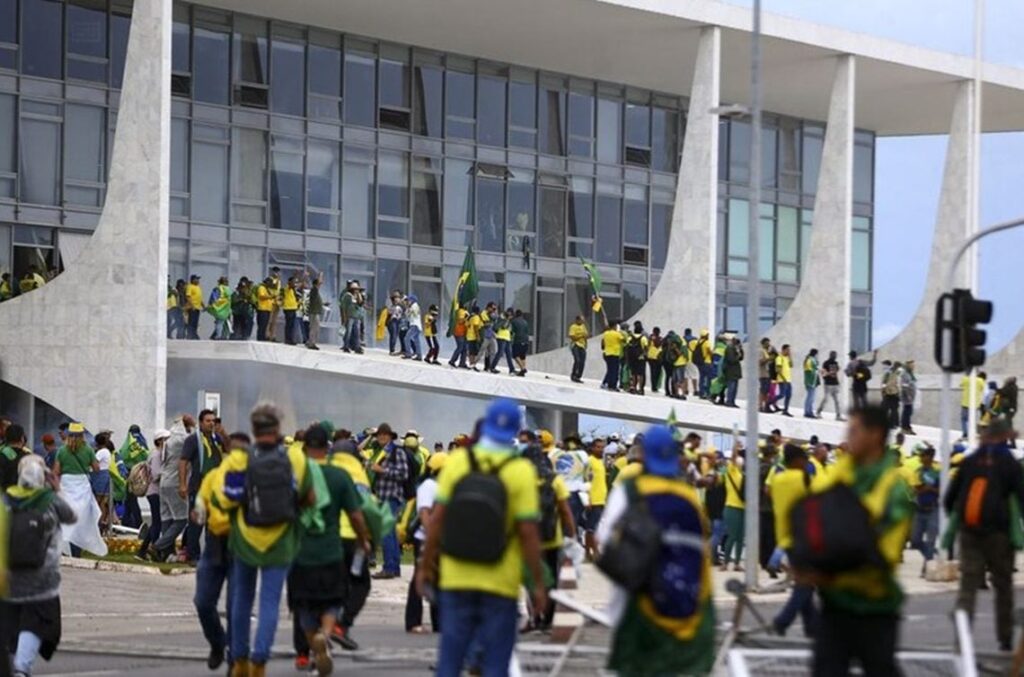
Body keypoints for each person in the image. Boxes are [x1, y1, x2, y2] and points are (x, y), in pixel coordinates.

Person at [416, 399, 546, 677]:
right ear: (516, 430)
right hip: (501, 581)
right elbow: (528, 533)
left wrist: (425, 567)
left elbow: (437, 521)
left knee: (450, 660)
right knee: (495, 664)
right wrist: (537, 582)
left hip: (456, 576)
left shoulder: (458, 462)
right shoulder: (521, 471)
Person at [598, 425, 715, 676]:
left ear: (643, 454)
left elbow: (604, 539)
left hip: (640, 612)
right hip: (691, 613)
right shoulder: (689, 497)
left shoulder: (630, 491)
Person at [805, 405, 912, 676]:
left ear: (875, 435)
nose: (847, 437)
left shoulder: (893, 487)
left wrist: (829, 565)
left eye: (853, 430)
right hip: (834, 603)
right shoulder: (841, 474)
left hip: (874, 606)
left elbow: (884, 553)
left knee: (880, 669)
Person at [218, 402, 312, 677]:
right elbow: (310, 497)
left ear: (254, 428)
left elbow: (226, 500)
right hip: (281, 540)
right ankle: (260, 660)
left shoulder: (239, 459)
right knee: (270, 602)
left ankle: (239, 660)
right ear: (278, 428)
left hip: (245, 539)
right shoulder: (296, 459)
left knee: (242, 599)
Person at [289, 425, 372, 676]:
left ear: (304, 448)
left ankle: (310, 647)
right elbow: (356, 515)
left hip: (301, 553)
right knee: (332, 601)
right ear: (327, 448)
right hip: (331, 551)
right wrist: (364, 540)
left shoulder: (296, 477)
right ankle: (324, 636)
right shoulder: (339, 476)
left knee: (303, 606)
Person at [945, 418, 1024, 652]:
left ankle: (961, 640)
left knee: (967, 587)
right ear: (1004, 436)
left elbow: (950, 498)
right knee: (1003, 586)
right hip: (999, 534)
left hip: (970, 532)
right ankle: (1005, 638)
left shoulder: (969, 461)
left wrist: (959, 523)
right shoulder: (1009, 463)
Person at [3, 455, 77, 677]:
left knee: (12, 622)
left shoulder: (7, 500)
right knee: (36, 622)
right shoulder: (50, 501)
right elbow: (72, 516)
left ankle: (12, 665)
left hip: (10, 576)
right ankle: (22, 668)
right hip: (43, 580)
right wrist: (58, 489)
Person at [192, 431, 244, 672]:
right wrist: (199, 512)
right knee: (203, 601)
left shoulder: (254, 478)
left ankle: (235, 658)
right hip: (214, 545)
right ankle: (217, 642)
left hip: (241, 546)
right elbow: (200, 505)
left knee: (236, 607)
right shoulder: (214, 476)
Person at [328, 438, 372, 651]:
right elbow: (365, 509)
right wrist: (367, 538)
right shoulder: (359, 474)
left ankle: (321, 628)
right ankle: (342, 624)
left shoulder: (326, 471)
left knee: (333, 585)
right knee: (361, 583)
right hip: (353, 538)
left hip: (329, 536)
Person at [768, 444, 816, 636]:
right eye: (804, 459)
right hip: (803, 537)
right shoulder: (803, 477)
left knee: (805, 582)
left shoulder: (777, 479)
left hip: (785, 537)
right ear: (796, 460)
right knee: (805, 584)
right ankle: (782, 621)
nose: (806, 463)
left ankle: (812, 627)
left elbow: (769, 494)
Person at [405, 451, 447, 634]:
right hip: (425, 539)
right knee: (420, 578)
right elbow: (424, 513)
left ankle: (439, 622)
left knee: (438, 579)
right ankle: (413, 621)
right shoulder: (429, 486)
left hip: (439, 539)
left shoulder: (443, 486)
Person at [53, 423, 106, 557]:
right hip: (82, 485)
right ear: (82, 435)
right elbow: (96, 468)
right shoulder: (88, 450)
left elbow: (56, 471)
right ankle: (77, 550)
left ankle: (66, 547)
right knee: (81, 520)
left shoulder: (62, 450)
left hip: (66, 485)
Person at [181, 409, 226, 563]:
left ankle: (210, 556)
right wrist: (182, 484)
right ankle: (193, 555)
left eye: (213, 421)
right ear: (200, 423)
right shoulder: (193, 440)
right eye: (208, 421)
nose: (211, 424)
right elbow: (183, 461)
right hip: (198, 487)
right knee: (196, 524)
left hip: (215, 489)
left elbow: (230, 449)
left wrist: (223, 433)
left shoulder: (217, 439)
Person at [369, 424, 408, 580]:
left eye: (385, 434)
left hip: (391, 496)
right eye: (379, 435)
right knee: (390, 533)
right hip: (384, 496)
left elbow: (403, 474)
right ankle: (394, 567)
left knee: (386, 533)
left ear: (391, 436)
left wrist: (382, 470)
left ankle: (388, 568)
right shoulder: (381, 452)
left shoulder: (397, 452)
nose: (381, 437)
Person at [135, 428, 169, 560]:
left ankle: (143, 550)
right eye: (166, 439)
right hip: (154, 492)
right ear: (159, 441)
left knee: (156, 522)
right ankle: (153, 550)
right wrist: (169, 473)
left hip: (155, 492)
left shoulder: (158, 454)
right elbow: (155, 475)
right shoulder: (156, 455)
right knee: (157, 523)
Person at [907, 444, 939, 577]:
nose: (921, 458)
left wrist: (930, 489)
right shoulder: (918, 472)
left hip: (933, 509)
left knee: (931, 540)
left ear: (929, 457)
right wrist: (924, 489)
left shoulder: (938, 471)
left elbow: (943, 489)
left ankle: (927, 567)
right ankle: (931, 557)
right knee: (915, 540)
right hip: (919, 509)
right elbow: (915, 489)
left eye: (923, 456)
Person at [721, 444, 746, 572]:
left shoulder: (742, 475)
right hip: (731, 507)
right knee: (732, 536)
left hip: (742, 508)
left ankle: (737, 563)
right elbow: (733, 458)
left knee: (740, 537)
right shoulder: (731, 471)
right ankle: (725, 563)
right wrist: (735, 447)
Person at [0, 424, 31, 491]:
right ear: (22, 438)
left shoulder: (2, 454)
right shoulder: (29, 457)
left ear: (6, 438)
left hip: (5, 494)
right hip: (24, 494)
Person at [959, 370, 987, 439]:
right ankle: (972, 432)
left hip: (965, 402)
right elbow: (984, 390)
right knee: (972, 419)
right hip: (975, 403)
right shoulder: (980, 380)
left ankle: (965, 433)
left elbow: (961, 385)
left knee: (964, 419)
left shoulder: (965, 379)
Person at [817, 350, 843, 420]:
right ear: (830, 355)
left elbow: (837, 371)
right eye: (834, 355)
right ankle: (818, 412)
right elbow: (823, 374)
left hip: (835, 384)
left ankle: (838, 416)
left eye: (835, 355)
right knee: (826, 399)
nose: (835, 356)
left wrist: (837, 370)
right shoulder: (826, 363)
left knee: (837, 401)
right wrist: (829, 373)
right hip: (828, 384)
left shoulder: (836, 363)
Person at [600, 320, 625, 392]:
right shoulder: (617, 334)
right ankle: (613, 385)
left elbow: (603, 343)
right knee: (615, 370)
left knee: (610, 370)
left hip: (607, 353)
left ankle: (608, 384)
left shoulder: (605, 333)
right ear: (614, 326)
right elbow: (624, 340)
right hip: (615, 353)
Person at [625, 321, 648, 396]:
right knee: (640, 374)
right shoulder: (643, 338)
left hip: (632, 358)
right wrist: (644, 356)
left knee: (633, 373)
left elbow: (627, 348)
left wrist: (627, 358)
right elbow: (646, 348)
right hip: (641, 358)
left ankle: (633, 387)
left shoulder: (630, 337)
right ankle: (641, 389)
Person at [208, 276, 233, 340]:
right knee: (222, 322)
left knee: (220, 322)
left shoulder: (218, 288)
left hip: (220, 308)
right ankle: (219, 336)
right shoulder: (227, 289)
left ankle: (218, 335)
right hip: (225, 309)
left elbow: (213, 298)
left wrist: (211, 305)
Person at [773, 344, 794, 417]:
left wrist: (790, 357)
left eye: (789, 350)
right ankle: (769, 402)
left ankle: (786, 410)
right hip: (782, 380)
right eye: (788, 350)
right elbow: (778, 370)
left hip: (788, 379)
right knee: (782, 394)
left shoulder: (787, 358)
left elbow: (791, 365)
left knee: (789, 395)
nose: (789, 351)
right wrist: (783, 378)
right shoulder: (779, 358)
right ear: (783, 350)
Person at [305, 275, 325, 350]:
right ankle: (311, 343)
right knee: (314, 328)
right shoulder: (314, 290)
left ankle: (310, 342)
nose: (320, 285)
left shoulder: (315, 290)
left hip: (315, 312)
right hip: (314, 312)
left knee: (314, 328)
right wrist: (320, 275)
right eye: (319, 284)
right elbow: (320, 282)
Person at [722, 338, 744, 408]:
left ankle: (732, 401)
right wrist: (738, 355)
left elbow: (741, 358)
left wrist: (740, 350)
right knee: (731, 387)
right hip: (730, 370)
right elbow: (731, 360)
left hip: (735, 371)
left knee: (735, 388)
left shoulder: (735, 349)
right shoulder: (729, 348)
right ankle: (729, 401)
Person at [568, 315, 589, 383]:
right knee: (577, 360)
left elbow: (586, 335)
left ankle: (578, 376)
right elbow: (572, 337)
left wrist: (586, 343)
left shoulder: (583, 326)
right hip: (575, 345)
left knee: (582, 362)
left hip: (582, 345)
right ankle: (573, 375)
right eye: (581, 320)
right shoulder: (573, 327)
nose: (582, 321)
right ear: (577, 320)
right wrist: (581, 336)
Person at [402, 294, 423, 361]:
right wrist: (407, 307)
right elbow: (407, 315)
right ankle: (419, 355)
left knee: (406, 338)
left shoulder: (415, 305)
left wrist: (408, 308)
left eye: (409, 300)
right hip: (416, 325)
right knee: (416, 340)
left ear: (412, 300)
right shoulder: (412, 306)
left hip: (415, 325)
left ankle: (408, 353)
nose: (408, 301)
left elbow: (414, 313)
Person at [693, 329, 713, 398]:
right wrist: (712, 356)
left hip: (700, 362)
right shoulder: (707, 342)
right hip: (707, 362)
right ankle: (707, 393)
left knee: (702, 377)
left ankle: (701, 393)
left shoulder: (698, 342)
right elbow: (710, 351)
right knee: (708, 378)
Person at [899, 360, 918, 435]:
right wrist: (908, 395)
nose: (913, 366)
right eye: (912, 365)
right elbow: (904, 386)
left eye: (913, 365)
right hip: (907, 397)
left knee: (909, 412)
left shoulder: (910, 374)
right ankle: (904, 427)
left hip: (911, 396)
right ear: (908, 366)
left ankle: (907, 427)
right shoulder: (905, 374)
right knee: (907, 412)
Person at [448, 304, 469, 369]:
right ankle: (452, 361)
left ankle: (462, 362)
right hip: (459, 332)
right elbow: (460, 321)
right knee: (460, 347)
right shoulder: (461, 311)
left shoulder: (462, 311)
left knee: (464, 348)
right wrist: (466, 318)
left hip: (463, 332)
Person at [510, 309, 530, 376]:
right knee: (523, 356)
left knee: (515, 355)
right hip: (526, 341)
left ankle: (523, 368)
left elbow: (512, 331)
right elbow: (527, 331)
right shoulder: (525, 322)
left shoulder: (514, 321)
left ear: (516, 314)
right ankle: (522, 371)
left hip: (518, 340)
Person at [183, 274, 204, 340]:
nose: (198, 280)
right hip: (192, 307)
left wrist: (203, 306)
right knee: (191, 322)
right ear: (192, 280)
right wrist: (192, 305)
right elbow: (188, 296)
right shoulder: (190, 286)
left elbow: (199, 298)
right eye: (196, 279)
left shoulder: (198, 287)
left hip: (197, 307)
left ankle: (194, 334)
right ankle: (190, 335)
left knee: (195, 322)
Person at [281, 276, 299, 345]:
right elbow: (291, 285)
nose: (295, 283)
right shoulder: (287, 288)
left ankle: (291, 339)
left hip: (293, 308)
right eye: (293, 282)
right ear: (289, 282)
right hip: (288, 308)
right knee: (289, 324)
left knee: (292, 325)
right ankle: (287, 339)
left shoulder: (293, 290)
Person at [803, 348, 820, 419]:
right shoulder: (810, 360)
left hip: (813, 381)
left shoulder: (812, 360)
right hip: (810, 381)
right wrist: (815, 371)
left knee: (811, 398)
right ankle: (807, 412)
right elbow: (808, 370)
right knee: (810, 397)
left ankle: (810, 411)